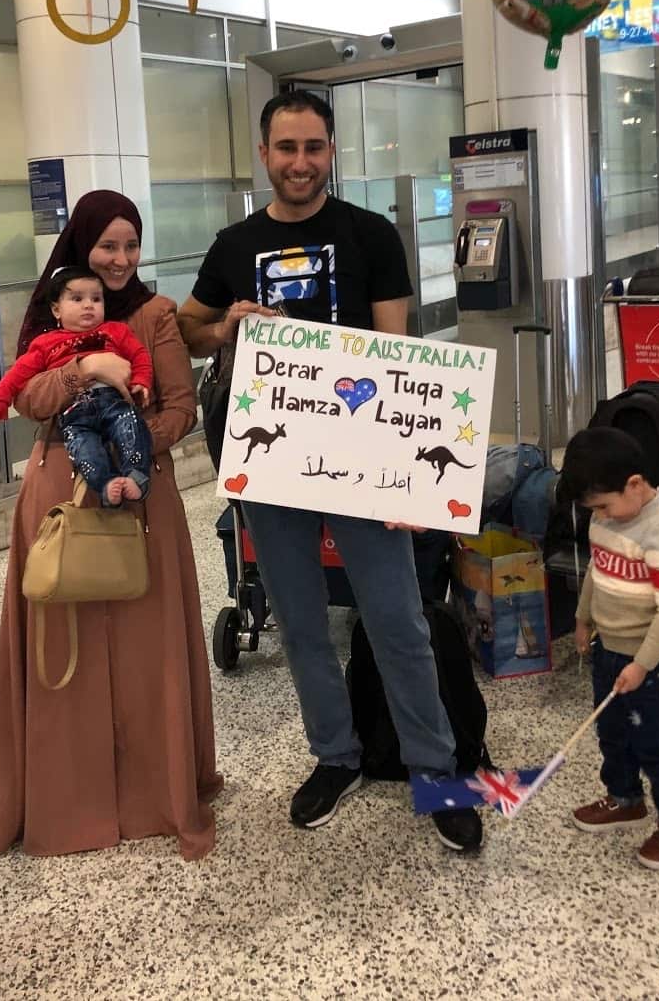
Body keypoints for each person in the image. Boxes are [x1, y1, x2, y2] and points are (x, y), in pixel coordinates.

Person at [177, 90, 482, 853]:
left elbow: (399, 357)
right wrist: (224, 327)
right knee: (303, 625)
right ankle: (335, 755)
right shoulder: (234, 244)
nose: (300, 163)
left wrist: (412, 479)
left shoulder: (372, 235)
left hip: (363, 466)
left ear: (333, 151)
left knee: (398, 621)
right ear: (264, 153)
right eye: (287, 148)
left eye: (314, 148)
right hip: (273, 459)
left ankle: (436, 769)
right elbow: (187, 327)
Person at [0, 190, 221, 861]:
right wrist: (84, 368)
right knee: (68, 644)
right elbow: (30, 398)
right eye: (107, 246)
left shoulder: (154, 315)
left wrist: (130, 443)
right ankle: (70, 803)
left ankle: (154, 794)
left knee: (149, 646)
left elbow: (181, 409)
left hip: (140, 490)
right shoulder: (52, 309)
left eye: (130, 246)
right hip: (61, 492)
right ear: (81, 246)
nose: (120, 260)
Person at [561, 427, 659, 871]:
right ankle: (624, 798)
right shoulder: (606, 521)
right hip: (610, 650)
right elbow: (596, 576)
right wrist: (584, 619)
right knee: (612, 733)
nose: (599, 515)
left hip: (653, 663)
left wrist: (642, 665)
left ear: (635, 485)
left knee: (652, 742)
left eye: (604, 504)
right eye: (593, 508)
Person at [0, 266, 154, 507]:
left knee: (132, 429)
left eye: (96, 299)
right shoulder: (45, 343)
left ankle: (136, 476)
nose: (88, 305)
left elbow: (139, 356)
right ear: (56, 309)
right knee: (84, 450)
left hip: (114, 402)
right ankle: (106, 485)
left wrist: (141, 382)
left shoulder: (116, 331)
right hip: (74, 412)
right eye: (77, 299)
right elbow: (16, 376)